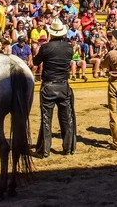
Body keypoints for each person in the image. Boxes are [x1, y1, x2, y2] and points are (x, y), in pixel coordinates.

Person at [32, 18, 76, 157]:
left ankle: (44, 150)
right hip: (63, 84)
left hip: (49, 85)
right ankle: (68, 148)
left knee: (46, 118)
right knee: (67, 118)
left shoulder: (46, 47)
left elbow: (35, 61)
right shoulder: (69, 47)